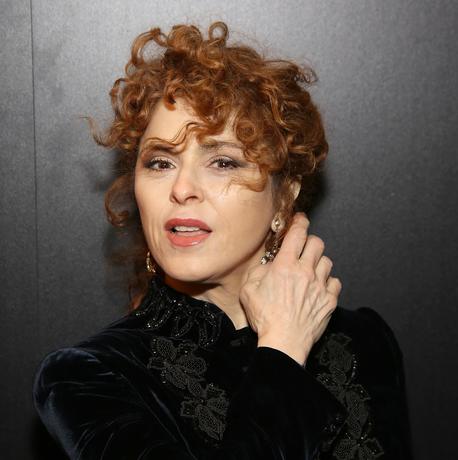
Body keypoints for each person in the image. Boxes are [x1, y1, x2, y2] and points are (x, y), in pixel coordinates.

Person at [33, 21, 413, 460]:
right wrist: (283, 349)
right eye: (160, 163)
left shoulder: (364, 342)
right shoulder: (88, 377)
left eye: (223, 162)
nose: (182, 189)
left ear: (284, 196)